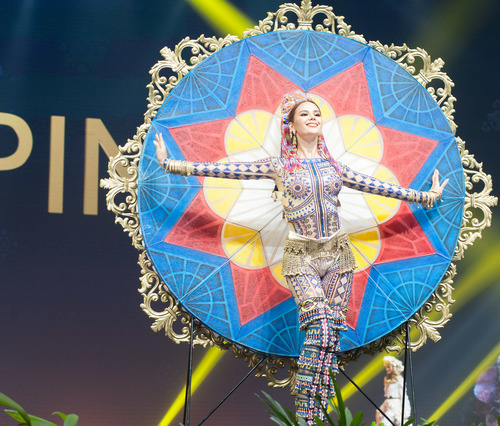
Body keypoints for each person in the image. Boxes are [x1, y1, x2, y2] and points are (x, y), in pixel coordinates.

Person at [153, 92, 447, 424]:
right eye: (304, 114)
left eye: (317, 113)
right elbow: (226, 170)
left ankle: (315, 417)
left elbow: (380, 187)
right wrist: (172, 164)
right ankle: (306, 415)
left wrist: (426, 196)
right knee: (320, 329)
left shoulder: (334, 166)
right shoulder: (279, 166)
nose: (312, 117)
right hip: (300, 257)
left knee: (330, 339)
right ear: (290, 125)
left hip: (338, 256)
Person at [376, 356, 411, 426]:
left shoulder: (400, 380)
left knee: (387, 422)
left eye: (388, 367)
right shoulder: (387, 380)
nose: (387, 369)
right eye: (386, 367)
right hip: (387, 404)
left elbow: (403, 395)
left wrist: (406, 410)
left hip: (395, 406)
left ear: (393, 367)